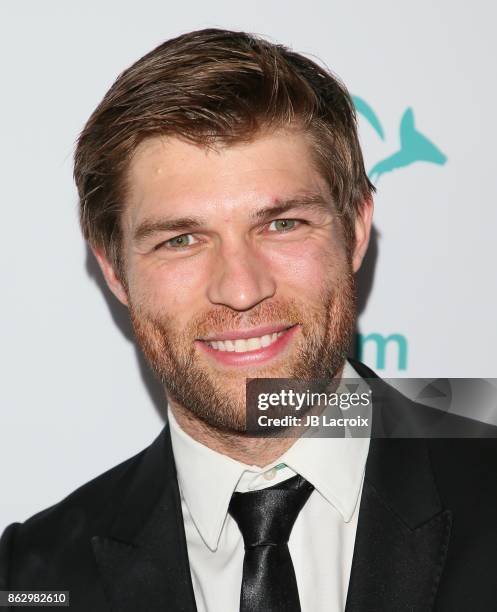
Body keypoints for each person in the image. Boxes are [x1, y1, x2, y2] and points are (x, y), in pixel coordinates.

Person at [1, 28, 496, 612]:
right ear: (114, 270)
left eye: (281, 224)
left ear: (356, 230)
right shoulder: (31, 578)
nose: (240, 289)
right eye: (181, 239)